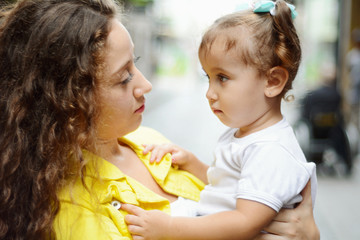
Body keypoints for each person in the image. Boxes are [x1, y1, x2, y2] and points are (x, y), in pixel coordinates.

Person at [0, 0, 319, 239]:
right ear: (69, 101)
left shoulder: (148, 140)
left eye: (135, 63)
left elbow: (232, 191)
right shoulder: (72, 209)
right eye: (123, 77)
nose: (145, 84)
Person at [122, 1, 318, 240]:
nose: (210, 93)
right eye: (209, 77)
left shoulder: (271, 150)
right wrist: (194, 164)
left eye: (222, 78)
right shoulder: (247, 134)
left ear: (272, 81)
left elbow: (244, 222)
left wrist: (170, 229)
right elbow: (229, 188)